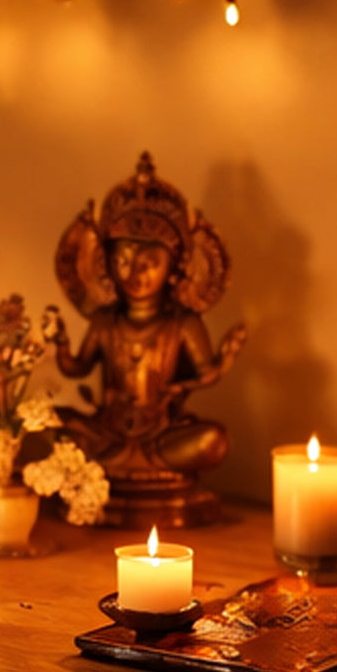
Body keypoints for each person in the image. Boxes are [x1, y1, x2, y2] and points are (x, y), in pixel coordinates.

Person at [45, 153, 245, 488]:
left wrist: (221, 363)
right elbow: (76, 368)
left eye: (149, 262)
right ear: (106, 264)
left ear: (174, 269)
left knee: (214, 439)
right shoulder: (105, 320)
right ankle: (112, 470)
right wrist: (61, 342)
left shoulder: (183, 323)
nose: (134, 272)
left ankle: (123, 469)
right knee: (51, 423)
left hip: (161, 435)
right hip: (108, 430)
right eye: (122, 260)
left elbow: (204, 372)